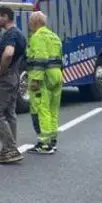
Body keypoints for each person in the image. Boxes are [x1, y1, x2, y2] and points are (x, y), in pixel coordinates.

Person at [0, 6, 27, 164]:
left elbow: (9, 53)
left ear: (6, 17)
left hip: (6, 78)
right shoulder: (20, 34)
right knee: (10, 113)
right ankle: (8, 148)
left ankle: (10, 149)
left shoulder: (10, 34)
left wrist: (1, 70)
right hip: (15, 76)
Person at [25, 10, 64, 154]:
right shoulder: (54, 36)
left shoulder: (37, 37)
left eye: (30, 22)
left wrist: (36, 79)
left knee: (42, 109)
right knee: (53, 109)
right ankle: (52, 140)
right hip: (57, 75)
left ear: (36, 22)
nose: (29, 25)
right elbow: (60, 58)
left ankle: (44, 144)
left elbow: (39, 59)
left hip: (44, 77)